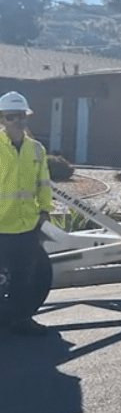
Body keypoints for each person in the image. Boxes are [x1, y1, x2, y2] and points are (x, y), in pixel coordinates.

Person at [0, 91, 53, 336]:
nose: (18, 121)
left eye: (22, 116)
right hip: (2, 226)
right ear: (2, 119)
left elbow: (44, 183)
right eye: (12, 117)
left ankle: (22, 320)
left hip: (28, 225)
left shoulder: (37, 150)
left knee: (25, 278)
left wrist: (45, 210)